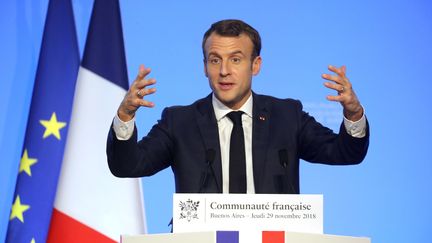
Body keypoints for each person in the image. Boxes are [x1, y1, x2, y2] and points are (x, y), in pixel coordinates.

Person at [106, 19, 369, 194]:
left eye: (235, 59)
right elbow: (127, 166)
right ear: (204, 67)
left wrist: (353, 114)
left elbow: (345, 153)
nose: (224, 71)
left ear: (255, 65)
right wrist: (125, 116)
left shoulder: (287, 116)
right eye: (214, 60)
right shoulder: (179, 122)